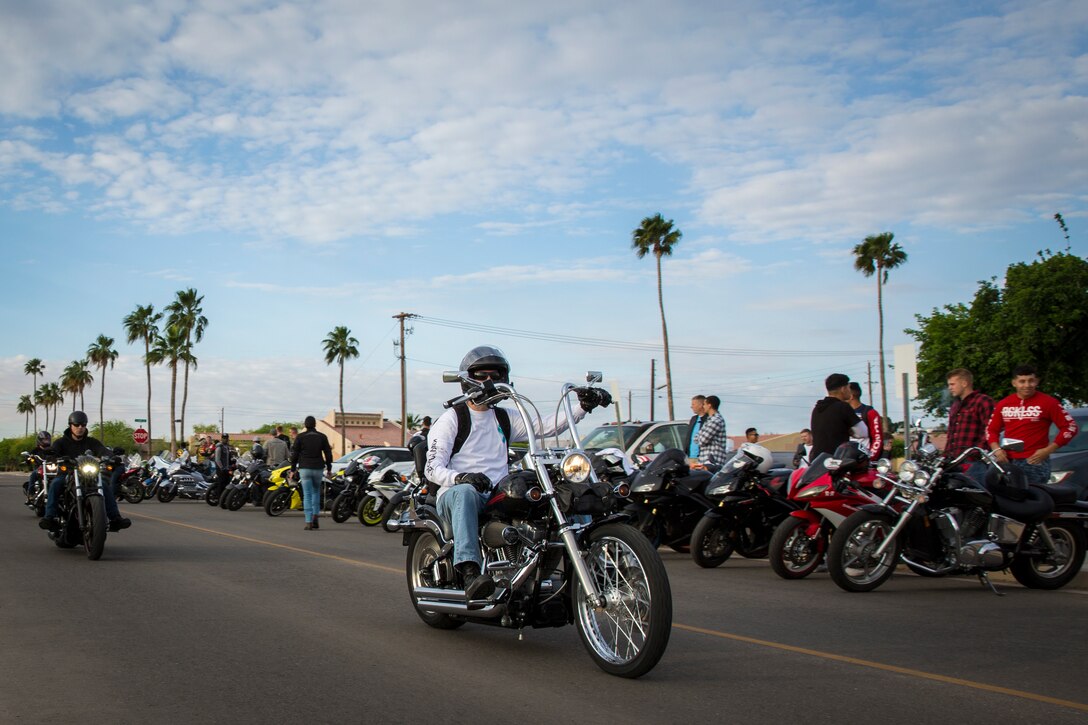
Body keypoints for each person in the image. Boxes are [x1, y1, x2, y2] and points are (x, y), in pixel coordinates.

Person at [425, 345, 611, 600]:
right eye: (483, 375)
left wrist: (581, 407)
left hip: (495, 492)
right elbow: (432, 468)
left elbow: (546, 427)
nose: (490, 380)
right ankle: (469, 571)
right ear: (467, 379)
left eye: (496, 374)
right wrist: (461, 477)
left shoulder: (504, 417)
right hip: (456, 495)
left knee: (555, 495)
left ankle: (591, 565)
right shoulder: (452, 419)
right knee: (466, 493)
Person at [38, 411, 131, 532]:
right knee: (55, 484)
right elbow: (53, 453)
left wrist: (112, 457)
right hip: (67, 474)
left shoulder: (91, 442)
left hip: (88, 475)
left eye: (83, 425)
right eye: (77, 425)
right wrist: (52, 456)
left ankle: (115, 519)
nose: (80, 428)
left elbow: (102, 450)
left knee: (104, 485)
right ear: (70, 425)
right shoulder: (61, 442)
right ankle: (49, 518)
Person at [986, 365, 1079, 485]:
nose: (1027, 385)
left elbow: (1070, 427)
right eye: (1022, 381)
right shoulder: (1004, 404)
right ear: (1014, 383)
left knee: (1033, 499)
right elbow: (991, 430)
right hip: (1007, 460)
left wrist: (1047, 450)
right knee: (1005, 499)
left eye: (1031, 381)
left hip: (1034, 461)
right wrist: (997, 450)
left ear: (1037, 382)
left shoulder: (1049, 402)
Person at [943, 367, 995, 482]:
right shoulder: (955, 405)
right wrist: (945, 455)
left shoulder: (983, 401)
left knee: (975, 495)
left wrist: (976, 451)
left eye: (952, 384)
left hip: (974, 461)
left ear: (964, 383)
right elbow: (951, 433)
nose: (949, 388)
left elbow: (991, 429)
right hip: (953, 460)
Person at [810, 374, 868, 459]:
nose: (850, 391)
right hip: (836, 460)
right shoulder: (843, 407)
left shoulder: (817, 409)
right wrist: (849, 431)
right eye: (848, 387)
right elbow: (863, 432)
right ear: (843, 389)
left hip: (817, 461)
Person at [290, 415, 333, 530]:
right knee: (316, 493)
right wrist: (329, 468)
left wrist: (293, 469)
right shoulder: (322, 437)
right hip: (318, 468)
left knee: (307, 495)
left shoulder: (300, 437)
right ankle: (315, 516)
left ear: (305, 425)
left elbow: (294, 455)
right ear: (315, 424)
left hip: (304, 468)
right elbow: (328, 454)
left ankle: (308, 522)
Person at [847, 382, 884, 459]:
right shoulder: (841, 412)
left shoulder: (870, 413)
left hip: (863, 459)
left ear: (851, 396)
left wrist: (870, 457)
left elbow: (877, 439)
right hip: (845, 458)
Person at [695, 395, 729, 467]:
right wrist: (699, 437)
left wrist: (699, 437)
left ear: (709, 405)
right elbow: (696, 438)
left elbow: (703, 441)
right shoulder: (709, 420)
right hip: (704, 461)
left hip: (713, 461)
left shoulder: (716, 420)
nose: (703, 406)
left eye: (704, 404)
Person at [23, 430, 52, 495]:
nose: (47, 441)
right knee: (33, 475)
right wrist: (29, 458)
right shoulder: (36, 450)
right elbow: (29, 457)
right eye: (45, 440)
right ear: (40, 440)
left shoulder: (52, 449)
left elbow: (58, 454)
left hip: (50, 468)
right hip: (39, 468)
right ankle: (30, 493)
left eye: (48, 439)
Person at [211, 433, 234, 500]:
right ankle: (219, 498)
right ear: (221, 439)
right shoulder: (219, 447)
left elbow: (227, 458)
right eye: (224, 438)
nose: (225, 439)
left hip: (226, 468)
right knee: (221, 483)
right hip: (221, 469)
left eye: (226, 438)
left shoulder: (226, 447)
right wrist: (221, 468)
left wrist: (232, 462)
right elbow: (217, 459)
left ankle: (223, 497)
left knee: (226, 483)